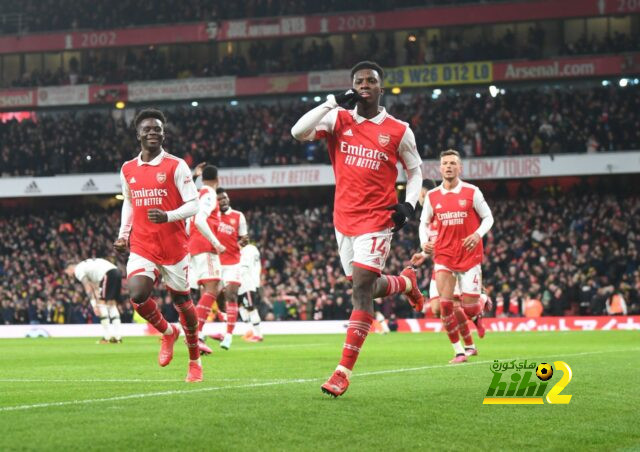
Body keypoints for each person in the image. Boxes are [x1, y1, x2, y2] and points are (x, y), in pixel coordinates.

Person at [291, 60, 423, 397]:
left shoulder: (398, 129)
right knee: (363, 286)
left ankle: (342, 372)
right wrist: (331, 102)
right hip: (343, 218)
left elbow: (416, 170)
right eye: (359, 80)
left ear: (381, 87)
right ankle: (406, 282)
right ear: (353, 86)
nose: (365, 84)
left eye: (371, 80)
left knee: (362, 286)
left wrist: (409, 204)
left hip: (378, 219)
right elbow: (297, 132)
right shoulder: (338, 119)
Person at [113, 108, 203, 382]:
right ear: (138, 133)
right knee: (138, 294)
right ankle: (167, 332)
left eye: (158, 129)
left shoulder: (176, 165)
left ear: (164, 134)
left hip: (173, 246)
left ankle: (194, 360)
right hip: (142, 244)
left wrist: (168, 216)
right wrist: (123, 234)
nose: (153, 132)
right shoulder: (128, 168)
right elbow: (129, 201)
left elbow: (194, 204)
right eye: (147, 129)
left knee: (182, 302)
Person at [418, 149, 494, 364]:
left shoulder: (472, 192)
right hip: (444, 257)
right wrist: (424, 244)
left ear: (460, 167)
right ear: (440, 168)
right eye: (445, 163)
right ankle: (459, 351)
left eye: (453, 163)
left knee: (468, 309)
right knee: (444, 306)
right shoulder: (433, 196)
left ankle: (481, 300)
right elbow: (423, 223)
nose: (449, 166)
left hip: (469, 257)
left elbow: (488, 218)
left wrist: (477, 234)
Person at [412, 179, 482, 357]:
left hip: (454, 264)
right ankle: (467, 343)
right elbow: (434, 245)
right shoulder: (429, 220)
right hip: (439, 266)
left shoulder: (445, 215)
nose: (419, 198)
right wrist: (423, 253)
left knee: (453, 307)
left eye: (421, 194)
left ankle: (466, 347)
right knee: (436, 309)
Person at [186, 164, 226, 355]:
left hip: (194, 246)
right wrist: (216, 243)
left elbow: (189, 219)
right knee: (212, 288)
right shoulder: (209, 193)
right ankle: (197, 335)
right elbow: (200, 220)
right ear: (218, 179)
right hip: (205, 247)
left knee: (206, 290)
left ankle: (198, 334)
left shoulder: (199, 193)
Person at [213, 188, 249, 350]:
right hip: (215, 263)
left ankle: (228, 336)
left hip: (233, 262)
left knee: (231, 295)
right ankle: (224, 322)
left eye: (225, 198)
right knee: (218, 300)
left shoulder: (238, 216)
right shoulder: (211, 217)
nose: (224, 201)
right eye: (220, 199)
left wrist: (241, 243)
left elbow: (244, 238)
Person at [65, 258, 123, 343]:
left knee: (101, 305)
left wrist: (94, 305)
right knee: (112, 304)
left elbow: (88, 288)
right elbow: (95, 287)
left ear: (70, 268)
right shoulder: (87, 267)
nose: (68, 275)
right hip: (116, 272)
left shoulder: (78, 270)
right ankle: (118, 337)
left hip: (107, 274)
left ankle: (107, 337)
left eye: (67, 272)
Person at [238, 242, 264, 342]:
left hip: (247, 282)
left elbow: (244, 268)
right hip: (251, 281)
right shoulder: (254, 249)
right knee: (241, 306)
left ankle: (258, 334)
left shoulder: (246, 251)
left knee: (250, 308)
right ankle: (250, 331)